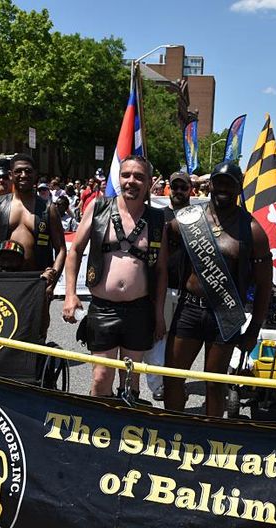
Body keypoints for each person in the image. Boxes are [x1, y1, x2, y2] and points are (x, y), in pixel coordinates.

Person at [163, 162, 272, 417]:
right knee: (172, 377)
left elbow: (264, 285)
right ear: (210, 184)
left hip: (225, 313)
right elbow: (161, 254)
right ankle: (170, 429)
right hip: (189, 309)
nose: (223, 188)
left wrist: (254, 329)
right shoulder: (188, 219)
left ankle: (209, 440)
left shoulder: (252, 230)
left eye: (229, 183)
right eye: (219, 182)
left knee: (215, 384)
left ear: (238, 187)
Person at [62, 156, 168, 400]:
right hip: (103, 309)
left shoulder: (156, 219)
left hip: (139, 310)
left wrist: (159, 313)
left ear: (149, 182)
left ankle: (125, 430)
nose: (131, 181)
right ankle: (98, 429)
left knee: (130, 381)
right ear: (118, 178)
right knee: (100, 379)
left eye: (139, 176)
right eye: (126, 175)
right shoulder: (98, 208)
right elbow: (75, 251)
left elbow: (161, 270)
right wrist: (70, 294)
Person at [0, 154, 66, 337]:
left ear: (35, 174)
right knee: (1, 329)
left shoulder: (48, 209)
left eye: (28, 171)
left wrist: (52, 282)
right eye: (18, 171)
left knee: (36, 331)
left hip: (37, 281)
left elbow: (61, 250)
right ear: (11, 174)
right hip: (4, 279)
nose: (23, 175)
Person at [144, 171, 191, 401]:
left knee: (180, 343)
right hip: (161, 289)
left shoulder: (199, 218)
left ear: (191, 190)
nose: (179, 191)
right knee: (157, 339)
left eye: (184, 187)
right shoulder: (157, 216)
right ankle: (158, 387)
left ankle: (175, 384)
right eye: (175, 187)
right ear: (169, 190)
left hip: (187, 292)